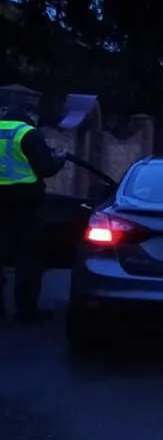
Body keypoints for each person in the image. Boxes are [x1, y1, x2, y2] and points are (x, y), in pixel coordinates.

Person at [0, 103, 67, 323]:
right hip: (25, 203)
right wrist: (60, 159)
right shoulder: (28, 134)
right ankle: (26, 311)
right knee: (28, 256)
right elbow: (46, 168)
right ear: (30, 115)